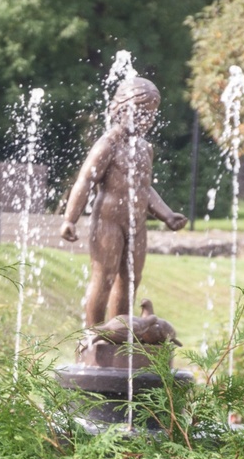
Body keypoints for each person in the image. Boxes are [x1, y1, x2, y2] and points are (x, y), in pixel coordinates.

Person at [60, 77, 187, 327]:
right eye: (142, 114)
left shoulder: (144, 148)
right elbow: (85, 181)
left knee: (130, 280)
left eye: (151, 115)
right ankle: (93, 335)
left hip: (137, 225)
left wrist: (167, 214)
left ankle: (120, 334)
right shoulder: (108, 144)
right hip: (108, 223)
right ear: (123, 109)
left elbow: (144, 188)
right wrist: (69, 219)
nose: (148, 121)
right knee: (104, 277)